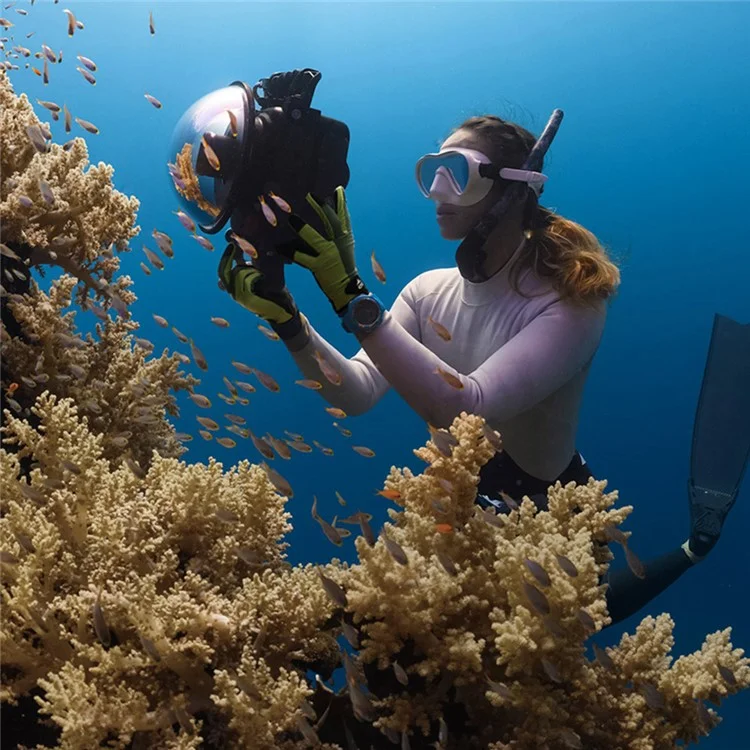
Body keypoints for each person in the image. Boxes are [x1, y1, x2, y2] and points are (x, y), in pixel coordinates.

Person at [218, 112, 750, 627]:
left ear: (514, 187)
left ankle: (695, 546)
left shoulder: (571, 302)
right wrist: (290, 320)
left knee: (558, 644)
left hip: (555, 518)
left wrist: (353, 297)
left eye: (459, 171)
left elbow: (464, 408)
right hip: (462, 514)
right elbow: (355, 393)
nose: (439, 189)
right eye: (432, 171)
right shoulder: (426, 293)